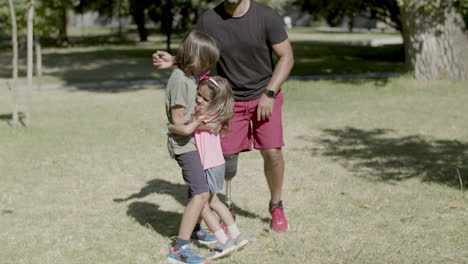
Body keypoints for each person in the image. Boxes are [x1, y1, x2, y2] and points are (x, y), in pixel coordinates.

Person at [154, 0, 294, 233]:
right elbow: (199, 53)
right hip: (229, 99)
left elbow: (286, 57)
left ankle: (276, 205)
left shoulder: (266, 16)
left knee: (273, 152)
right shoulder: (209, 20)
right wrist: (175, 62)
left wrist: (269, 93)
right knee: (224, 159)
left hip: (265, 94)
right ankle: (223, 205)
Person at [169, 74, 249, 260]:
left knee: (203, 203)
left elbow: (188, 128)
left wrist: (171, 127)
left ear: (215, 102)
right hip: (216, 163)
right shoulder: (214, 115)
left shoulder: (204, 115)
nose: (199, 99)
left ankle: (222, 240)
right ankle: (236, 235)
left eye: (205, 98)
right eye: (198, 94)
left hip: (210, 164)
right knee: (214, 202)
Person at [165, 30, 221, 264]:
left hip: (192, 141)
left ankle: (197, 228)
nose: (206, 68)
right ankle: (179, 249)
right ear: (196, 59)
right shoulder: (180, 81)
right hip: (183, 145)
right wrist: (201, 120)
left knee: (198, 188)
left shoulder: (188, 75)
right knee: (200, 194)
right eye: (206, 63)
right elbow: (178, 124)